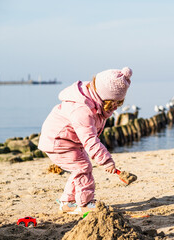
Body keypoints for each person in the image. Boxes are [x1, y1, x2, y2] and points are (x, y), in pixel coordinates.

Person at [38, 67, 132, 214]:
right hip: (58, 142)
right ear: (102, 96)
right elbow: (90, 139)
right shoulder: (82, 110)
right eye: (112, 103)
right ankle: (85, 204)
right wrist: (106, 160)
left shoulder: (94, 96)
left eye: (119, 103)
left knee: (79, 168)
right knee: (83, 167)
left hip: (70, 141)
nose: (114, 107)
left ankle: (67, 202)